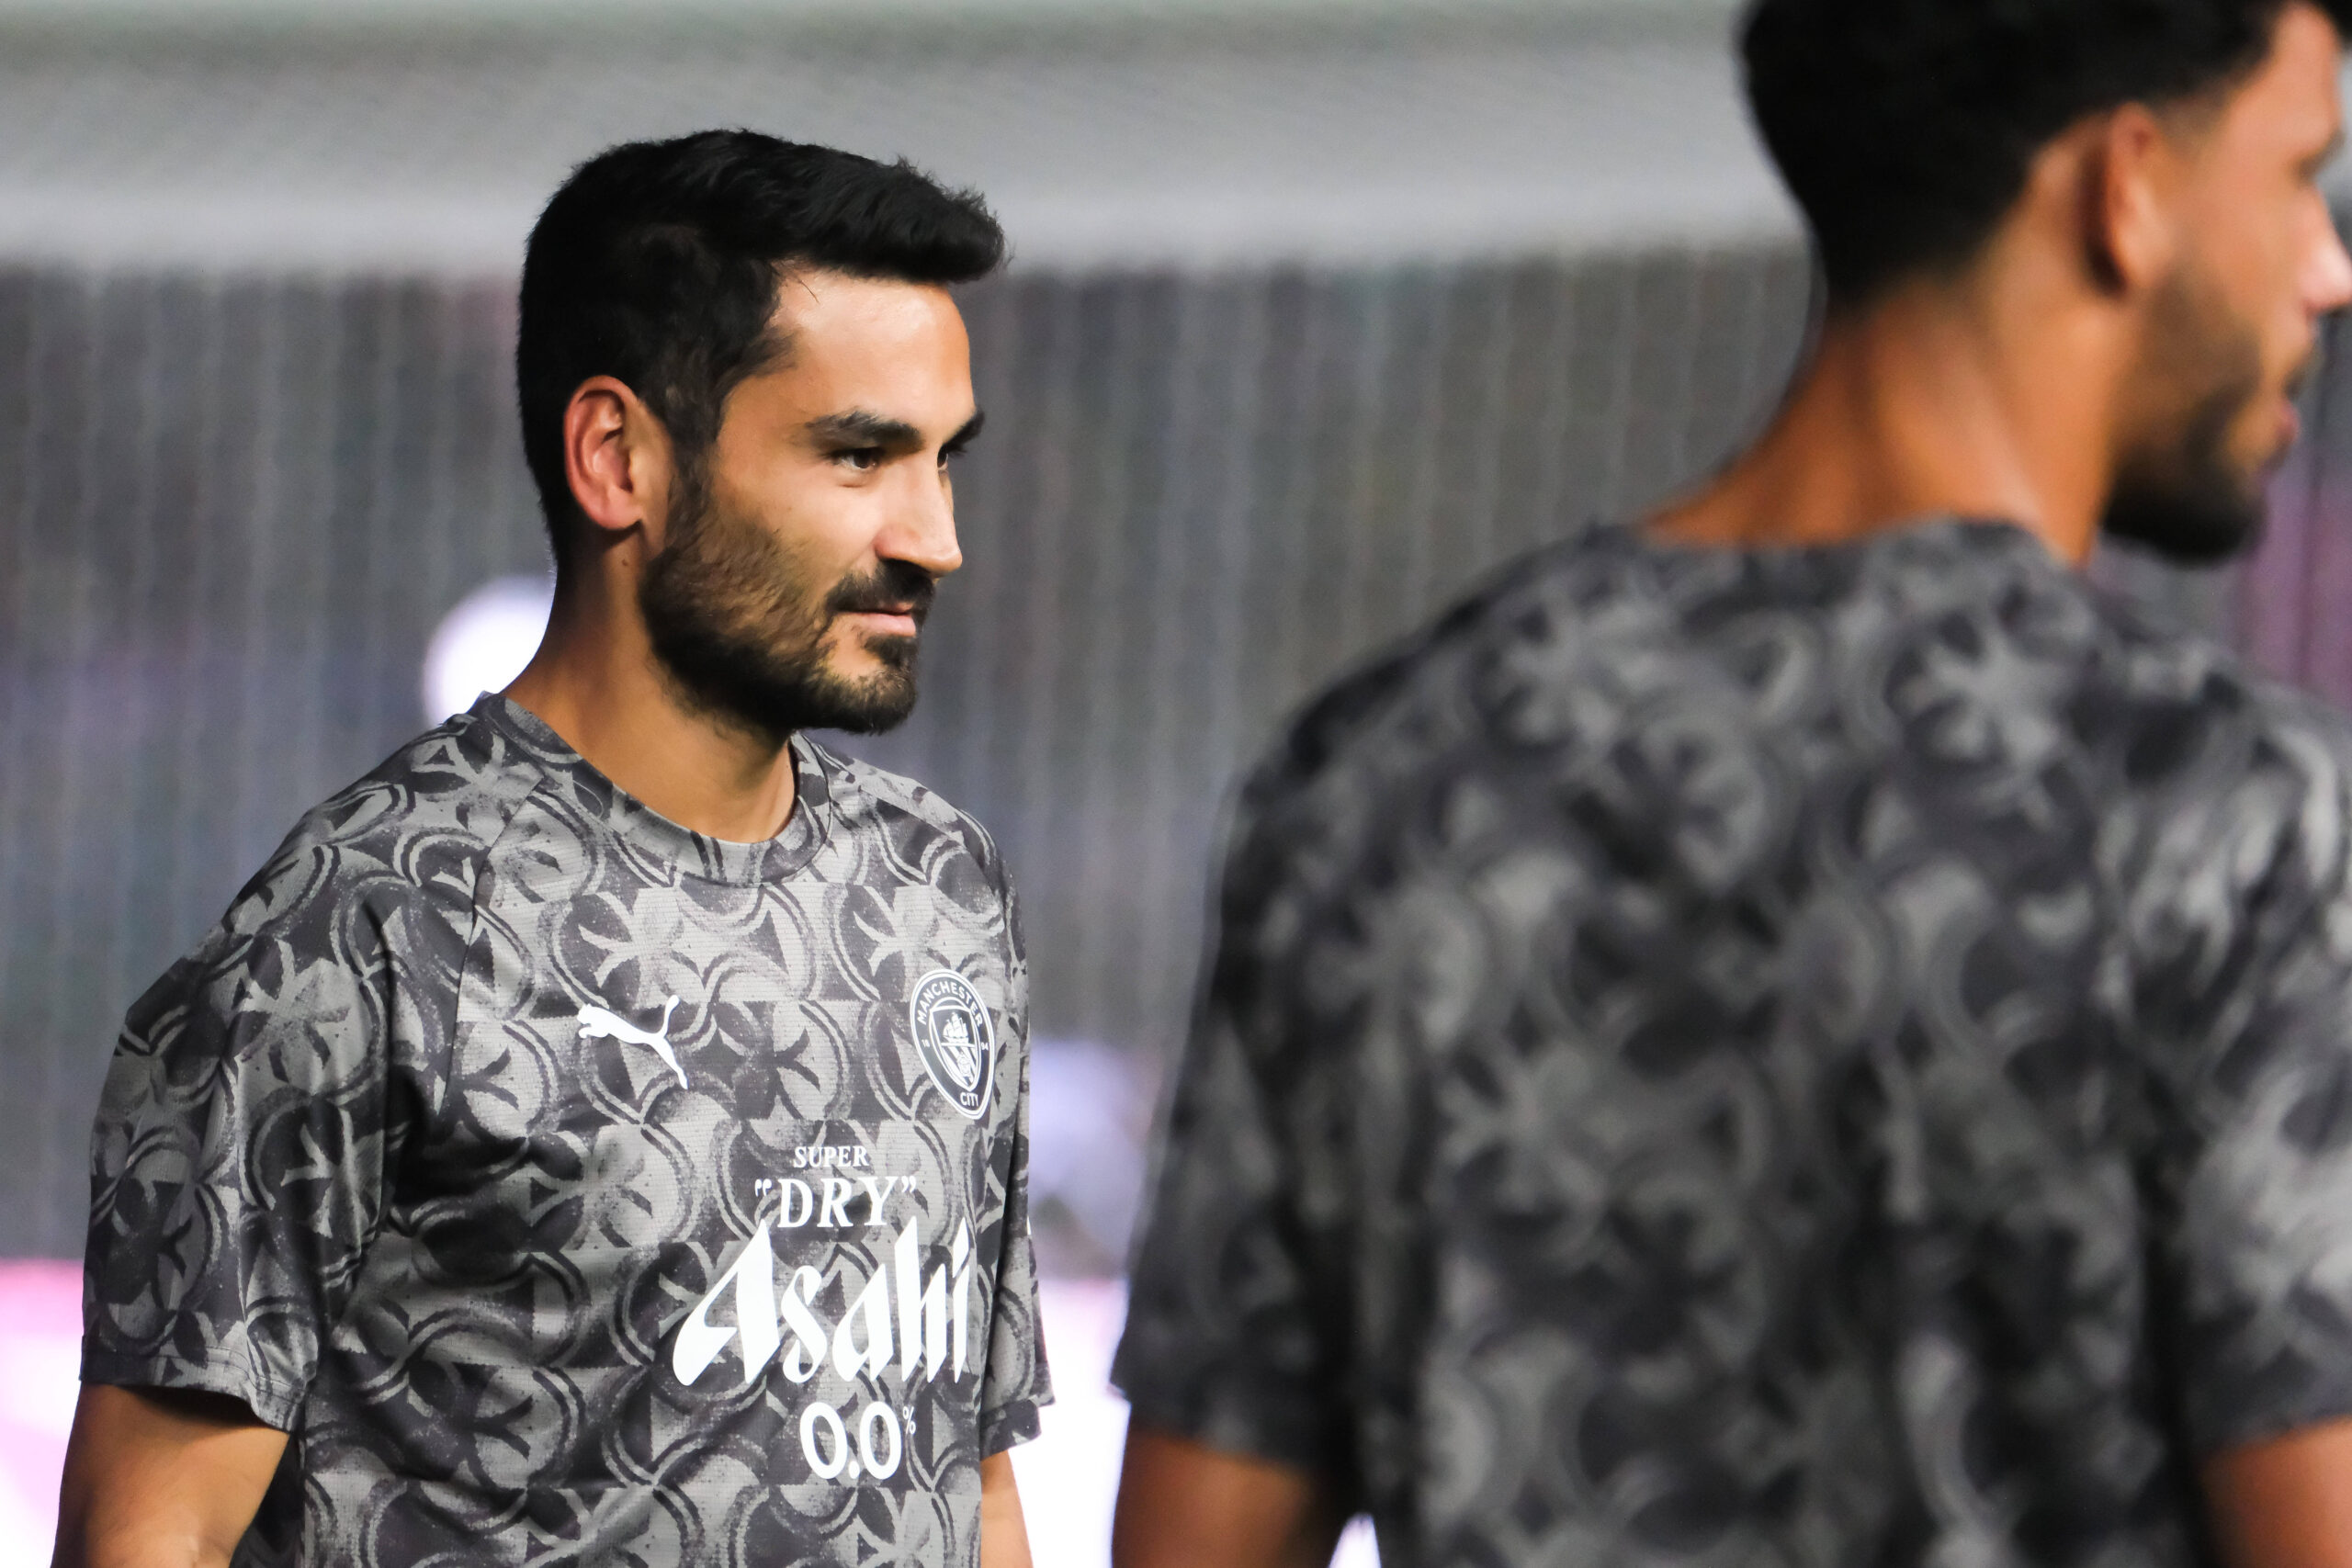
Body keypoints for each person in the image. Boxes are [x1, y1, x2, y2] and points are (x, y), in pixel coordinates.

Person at [1110, 2, 2352, 1564]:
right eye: (2302, 174)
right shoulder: (2223, 816)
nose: (2331, 266)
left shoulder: (1375, 783)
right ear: (2131, 185)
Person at [54, 130, 1045, 1568]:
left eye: (943, 461)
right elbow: (150, 1539)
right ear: (617, 458)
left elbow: (973, 1478)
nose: (934, 537)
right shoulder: (361, 933)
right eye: (857, 455)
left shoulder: (941, 891)